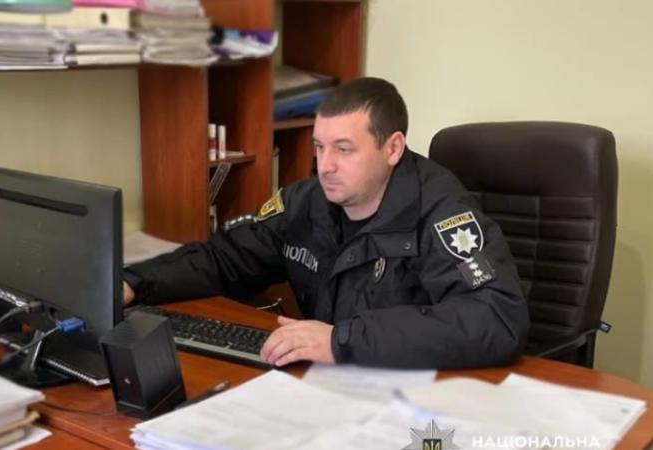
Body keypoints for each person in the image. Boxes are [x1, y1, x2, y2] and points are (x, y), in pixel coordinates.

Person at [123, 77, 529, 369]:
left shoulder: (441, 213)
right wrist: (133, 283)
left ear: (393, 148)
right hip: (330, 381)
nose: (325, 166)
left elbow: (496, 319)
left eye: (344, 149)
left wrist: (342, 340)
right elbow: (225, 259)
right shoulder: (307, 201)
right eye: (319, 147)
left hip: (414, 393)